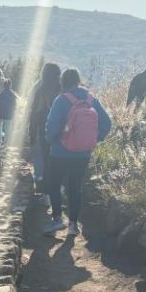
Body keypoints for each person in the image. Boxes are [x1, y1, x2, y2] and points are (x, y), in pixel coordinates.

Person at [44, 67, 112, 237]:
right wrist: (94, 139)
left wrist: (51, 140)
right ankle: (73, 225)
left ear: (63, 82)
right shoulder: (91, 99)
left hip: (60, 152)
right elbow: (107, 122)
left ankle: (57, 219)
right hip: (83, 153)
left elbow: (52, 126)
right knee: (75, 187)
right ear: (78, 81)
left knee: (54, 184)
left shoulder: (61, 100)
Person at [27, 62, 62, 197]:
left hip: (43, 128)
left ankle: (44, 188)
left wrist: (31, 132)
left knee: (45, 158)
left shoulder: (39, 88)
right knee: (57, 160)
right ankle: (56, 188)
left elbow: (33, 112)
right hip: (62, 130)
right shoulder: (62, 88)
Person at [0, 79, 18, 144]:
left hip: (0, 113)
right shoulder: (13, 95)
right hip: (9, 114)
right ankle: (6, 141)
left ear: (4, 85)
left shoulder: (0, 94)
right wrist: (13, 112)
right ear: (10, 85)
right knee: (7, 128)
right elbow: (14, 105)